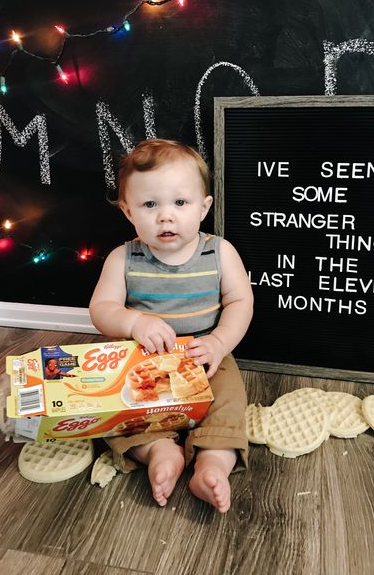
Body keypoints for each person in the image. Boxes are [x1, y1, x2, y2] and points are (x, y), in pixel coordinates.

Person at [89, 138, 253, 513]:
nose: (166, 216)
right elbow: (101, 308)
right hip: (144, 363)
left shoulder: (220, 253)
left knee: (229, 403)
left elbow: (241, 302)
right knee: (120, 417)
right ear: (129, 212)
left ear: (203, 207)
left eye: (180, 203)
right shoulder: (123, 259)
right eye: (150, 205)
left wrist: (219, 342)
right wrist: (133, 321)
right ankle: (159, 452)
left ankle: (213, 462)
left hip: (204, 355)